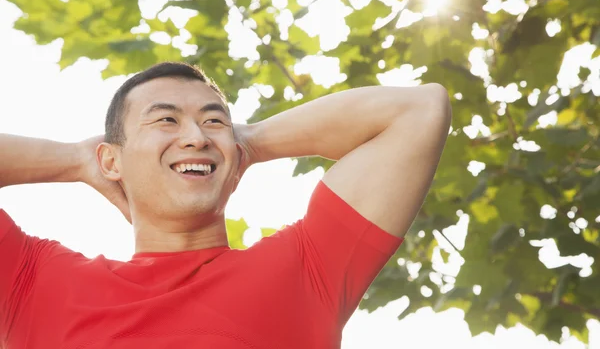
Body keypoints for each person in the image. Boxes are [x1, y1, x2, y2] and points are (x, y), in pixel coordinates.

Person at [0, 62, 451, 348]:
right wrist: (75, 160)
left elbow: (418, 110)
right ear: (112, 160)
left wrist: (244, 142)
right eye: (165, 120)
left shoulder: (303, 272)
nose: (196, 136)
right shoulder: (34, 283)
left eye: (213, 120)